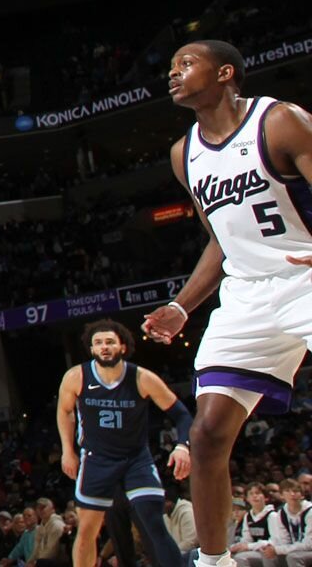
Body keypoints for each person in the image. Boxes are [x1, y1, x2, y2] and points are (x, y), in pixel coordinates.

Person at [141, 40, 312, 567]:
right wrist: (184, 304)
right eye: (169, 68)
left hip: (305, 274)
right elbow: (221, 237)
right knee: (208, 431)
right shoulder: (183, 154)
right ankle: (216, 562)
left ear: (225, 73)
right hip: (246, 295)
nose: (173, 74)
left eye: (186, 64)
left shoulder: (280, 121)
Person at [54, 320, 193, 567]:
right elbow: (65, 412)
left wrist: (182, 446)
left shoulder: (142, 378)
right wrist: (67, 451)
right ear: (91, 349)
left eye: (109, 342)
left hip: (136, 459)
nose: (104, 347)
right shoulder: (77, 376)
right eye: (98, 343)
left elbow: (182, 414)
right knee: (87, 529)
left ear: (123, 347)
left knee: (153, 522)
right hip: (96, 459)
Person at [231, 485, 283, 567]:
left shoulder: (272, 515)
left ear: (266, 498)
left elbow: (275, 541)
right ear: (247, 499)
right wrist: (236, 547)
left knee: (241, 558)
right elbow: (246, 540)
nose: (254, 496)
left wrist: (249, 546)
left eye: (258, 493)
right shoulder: (248, 516)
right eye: (251, 494)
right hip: (255, 551)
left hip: (272, 552)